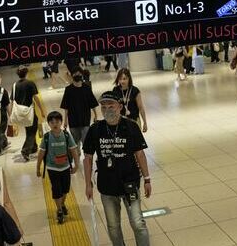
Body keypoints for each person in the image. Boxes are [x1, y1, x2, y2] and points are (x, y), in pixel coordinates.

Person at [83, 92, 151, 246]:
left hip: (130, 183)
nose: (107, 110)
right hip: (107, 186)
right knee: (113, 227)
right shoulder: (95, 129)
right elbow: (87, 158)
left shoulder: (131, 126)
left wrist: (147, 179)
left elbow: (140, 154)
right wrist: (88, 184)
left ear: (120, 107)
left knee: (138, 223)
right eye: (104, 107)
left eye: (111, 106)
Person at [36, 111, 78, 224]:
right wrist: (38, 167)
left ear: (61, 122)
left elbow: (73, 149)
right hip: (52, 168)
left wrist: (76, 165)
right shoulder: (46, 137)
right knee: (56, 189)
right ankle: (59, 210)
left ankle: (62, 203)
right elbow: (41, 153)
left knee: (65, 189)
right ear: (48, 124)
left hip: (65, 167)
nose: (55, 124)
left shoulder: (66, 135)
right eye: (52, 122)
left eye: (57, 121)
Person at [60, 67, 99, 153]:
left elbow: (92, 103)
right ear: (72, 75)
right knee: (75, 141)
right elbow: (66, 107)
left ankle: (86, 158)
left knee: (86, 141)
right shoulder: (68, 90)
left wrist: (96, 115)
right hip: (73, 120)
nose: (77, 76)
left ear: (82, 75)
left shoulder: (87, 88)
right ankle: (77, 157)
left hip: (85, 119)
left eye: (79, 74)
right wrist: (65, 121)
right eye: (75, 74)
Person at [13, 66, 47, 162]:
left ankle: (33, 148)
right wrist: (42, 110)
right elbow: (35, 98)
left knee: (29, 130)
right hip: (29, 111)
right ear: (26, 73)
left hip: (20, 113)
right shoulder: (30, 83)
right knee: (32, 131)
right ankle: (25, 150)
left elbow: (13, 100)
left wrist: (11, 114)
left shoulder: (15, 85)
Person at [113, 68, 148, 132]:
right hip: (120, 121)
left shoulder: (135, 90)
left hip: (134, 120)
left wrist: (145, 122)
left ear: (129, 79)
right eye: (120, 79)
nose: (122, 81)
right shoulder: (115, 90)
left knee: (135, 141)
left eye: (124, 79)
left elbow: (141, 107)